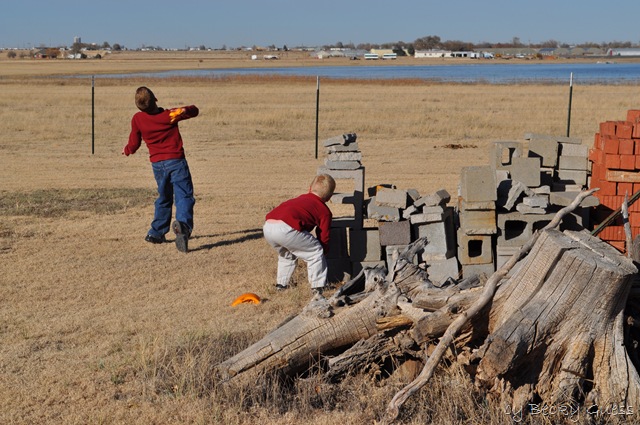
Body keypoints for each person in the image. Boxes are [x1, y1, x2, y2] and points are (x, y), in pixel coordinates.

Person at [122, 86, 199, 253]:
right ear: (155, 99)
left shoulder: (137, 119)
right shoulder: (169, 115)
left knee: (164, 197)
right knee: (184, 196)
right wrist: (184, 109)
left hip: (157, 165)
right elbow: (194, 111)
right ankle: (183, 227)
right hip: (176, 161)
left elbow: (134, 143)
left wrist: (127, 150)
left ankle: (156, 233)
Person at [263, 174, 336, 296]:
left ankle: (282, 284)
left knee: (287, 254)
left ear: (309, 189)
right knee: (315, 252)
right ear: (329, 198)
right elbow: (323, 234)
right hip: (287, 228)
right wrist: (325, 249)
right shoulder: (324, 211)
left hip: (268, 225)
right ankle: (318, 287)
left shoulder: (300, 198)